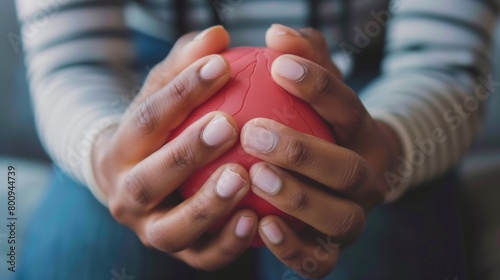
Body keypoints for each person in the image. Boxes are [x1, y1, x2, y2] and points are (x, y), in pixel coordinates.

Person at [14, 0, 498, 279]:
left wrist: (390, 151)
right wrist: (106, 158)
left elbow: (445, 63)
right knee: (83, 250)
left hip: (370, 90)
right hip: (145, 87)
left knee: (368, 254)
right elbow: (75, 64)